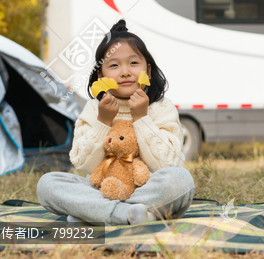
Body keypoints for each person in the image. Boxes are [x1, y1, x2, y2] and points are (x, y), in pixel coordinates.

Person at [37, 19, 195, 226]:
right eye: (114, 65)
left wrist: (142, 118)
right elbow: (83, 163)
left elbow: (167, 163)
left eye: (133, 63)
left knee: (181, 180)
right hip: (103, 190)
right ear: (100, 75)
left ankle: (94, 213)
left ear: (147, 70)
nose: (125, 72)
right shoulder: (94, 109)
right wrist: (103, 121)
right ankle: (131, 215)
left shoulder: (161, 107)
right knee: (47, 184)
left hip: (148, 191)